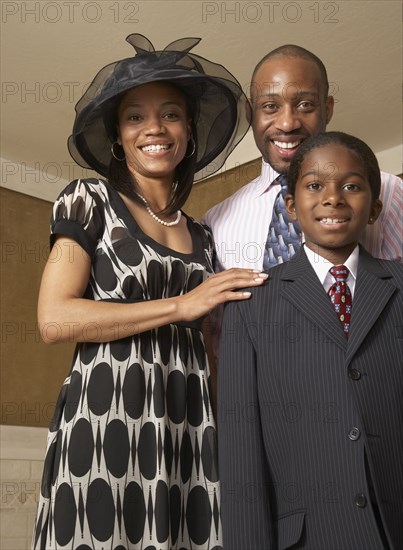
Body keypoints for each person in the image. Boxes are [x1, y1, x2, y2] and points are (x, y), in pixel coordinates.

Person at [32, 34, 268, 550]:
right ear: (118, 136)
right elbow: (54, 319)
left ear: (189, 134)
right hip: (106, 423)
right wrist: (182, 305)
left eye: (171, 115)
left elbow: (211, 348)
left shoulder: (205, 235)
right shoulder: (88, 200)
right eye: (135, 116)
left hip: (189, 427)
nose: (154, 128)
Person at [218, 131, 403, 549]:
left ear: (373, 210)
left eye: (352, 186)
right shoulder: (250, 306)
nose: (333, 198)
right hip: (307, 537)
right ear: (291, 207)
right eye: (314, 185)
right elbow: (241, 454)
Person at [202, 45, 402, 270]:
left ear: (328, 109)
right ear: (250, 113)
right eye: (270, 106)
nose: (287, 124)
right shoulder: (217, 220)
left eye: (305, 105)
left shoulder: (390, 192)